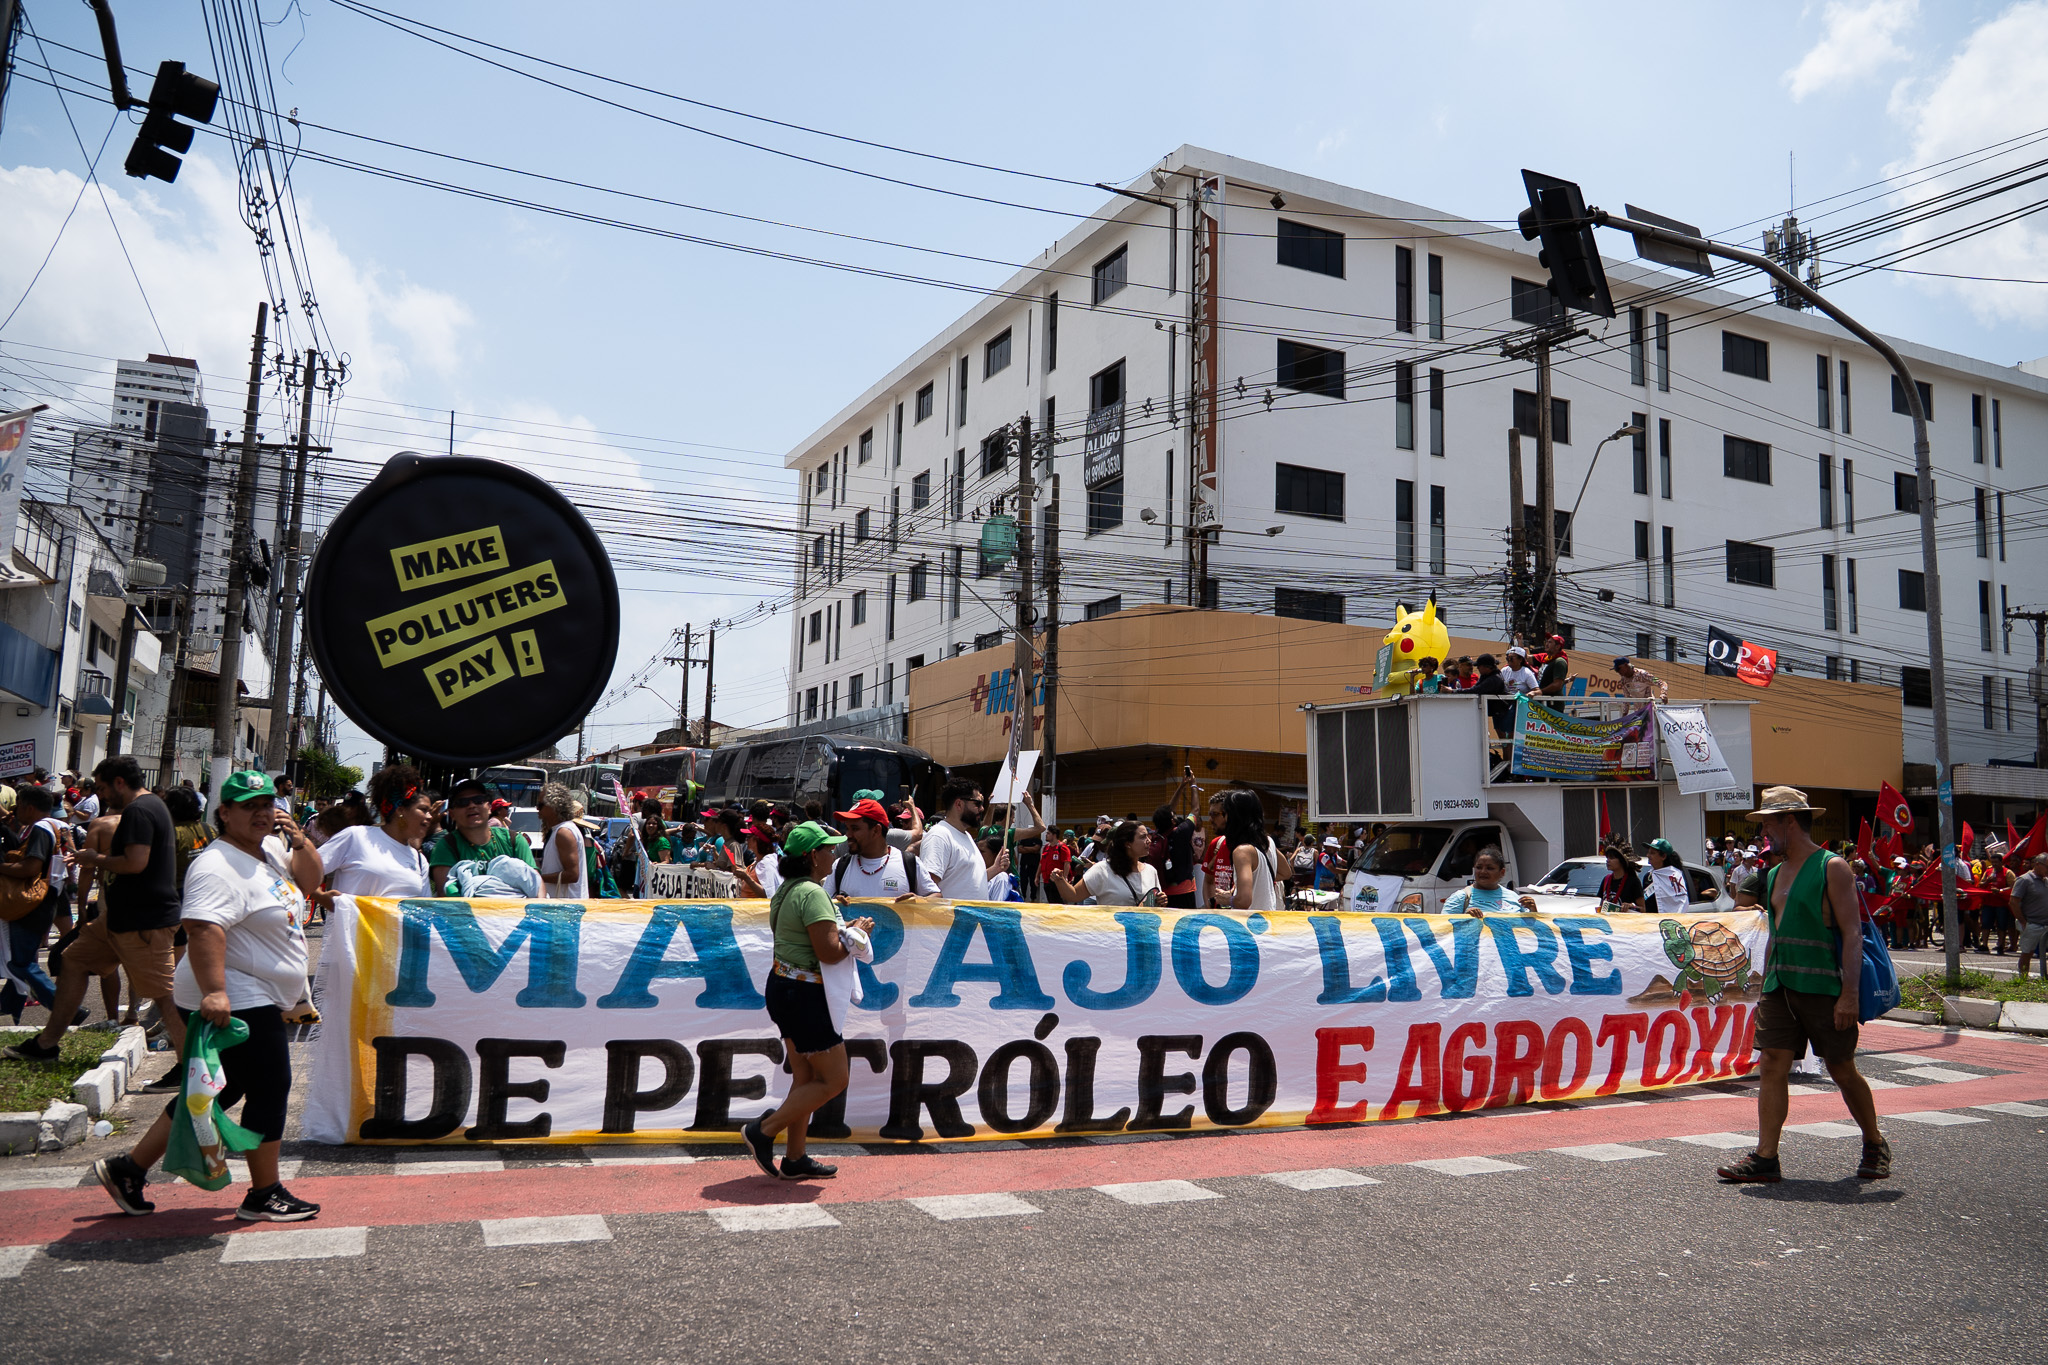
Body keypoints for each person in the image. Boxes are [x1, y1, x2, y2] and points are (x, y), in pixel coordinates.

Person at [90, 770, 325, 1223]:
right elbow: (202, 928)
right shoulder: (216, 865)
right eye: (249, 806)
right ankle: (264, 1192)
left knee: (222, 1087)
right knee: (270, 1086)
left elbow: (309, 883)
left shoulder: (271, 850)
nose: (261, 812)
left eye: (266, 804)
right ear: (224, 813)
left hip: (253, 992)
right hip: (231, 994)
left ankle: (128, 1169)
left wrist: (301, 842)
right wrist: (216, 992)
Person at [1717, 787, 1888, 1184]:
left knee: (1841, 1069)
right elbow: (1777, 933)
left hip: (1825, 988)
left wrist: (1849, 995)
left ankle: (1875, 1142)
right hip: (1780, 987)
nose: (1764, 832)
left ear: (1789, 821)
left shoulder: (1832, 867)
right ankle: (1765, 1158)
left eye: (1768, 823)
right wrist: (1762, 983)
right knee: (1772, 1064)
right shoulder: (1774, 873)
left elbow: (1852, 934)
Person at [6, 757, 185, 1064]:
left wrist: (94, 858)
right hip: (118, 918)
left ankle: (189, 1067)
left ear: (118, 782)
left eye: (102, 788)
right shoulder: (153, 805)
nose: (100, 795)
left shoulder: (139, 811)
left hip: (144, 922)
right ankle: (46, 1045)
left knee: (164, 995)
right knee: (73, 960)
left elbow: (135, 862)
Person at [741, 821, 873, 1182]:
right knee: (834, 1080)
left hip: (785, 987)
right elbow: (830, 953)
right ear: (814, 856)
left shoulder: (787, 890)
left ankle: (796, 1157)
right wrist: (858, 932)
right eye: (829, 848)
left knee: (806, 1075)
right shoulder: (812, 894)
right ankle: (763, 1130)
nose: (835, 853)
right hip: (804, 996)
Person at [0, 787, 65, 1024]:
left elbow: (30, 868)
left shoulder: (39, 829)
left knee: (20, 963)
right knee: (20, 960)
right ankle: (8, 1007)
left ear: (29, 806)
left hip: (31, 904)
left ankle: (65, 1008)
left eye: (19, 806)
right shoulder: (57, 825)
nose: (16, 812)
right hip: (46, 902)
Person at [317, 766, 432, 899]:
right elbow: (303, 871)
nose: (429, 816)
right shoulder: (355, 837)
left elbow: (423, 910)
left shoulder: (419, 861)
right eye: (423, 810)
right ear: (400, 810)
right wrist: (319, 895)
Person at [427, 777, 538, 895]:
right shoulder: (445, 847)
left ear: (489, 807)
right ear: (452, 813)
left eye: (478, 800)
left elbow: (536, 886)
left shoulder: (514, 840)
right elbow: (446, 896)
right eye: (462, 802)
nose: (471, 806)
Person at [920, 778, 1000, 901]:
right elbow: (927, 888)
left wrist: (996, 868)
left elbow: (968, 882)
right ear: (959, 804)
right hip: (952, 919)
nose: (982, 809)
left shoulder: (965, 835)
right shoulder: (940, 836)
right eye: (977, 804)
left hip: (972, 919)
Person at [1048, 820, 1161, 906]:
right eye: (1143, 837)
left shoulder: (1151, 871)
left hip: (1143, 935)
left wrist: (1160, 900)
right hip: (1113, 935)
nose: (1149, 841)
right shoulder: (1102, 870)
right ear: (1127, 843)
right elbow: (1074, 895)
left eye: (1147, 836)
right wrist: (1060, 880)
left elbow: (1152, 904)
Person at [1221, 791, 1284, 912]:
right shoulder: (1268, 841)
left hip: (1248, 926)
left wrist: (1226, 900)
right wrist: (1258, 881)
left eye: (1225, 813)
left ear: (1235, 817)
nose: (1225, 818)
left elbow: (1244, 901)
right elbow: (1286, 872)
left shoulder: (1242, 852)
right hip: (1268, 919)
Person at [1447, 846, 1539, 916]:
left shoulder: (1514, 897)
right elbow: (1442, 930)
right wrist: (1464, 918)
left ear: (1502, 872)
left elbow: (1529, 930)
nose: (1483, 872)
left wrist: (1533, 911)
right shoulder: (1460, 898)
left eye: (1489, 868)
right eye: (1479, 867)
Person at [537, 783, 588, 900]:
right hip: (561, 906)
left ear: (554, 805)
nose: (537, 808)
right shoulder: (558, 831)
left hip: (566, 907)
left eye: (540, 805)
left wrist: (539, 878)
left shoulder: (564, 832)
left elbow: (572, 875)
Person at [1154, 802, 1199, 908]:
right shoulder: (1182, 832)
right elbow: (1195, 809)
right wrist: (1193, 786)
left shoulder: (1158, 836)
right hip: (1184, 890)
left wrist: (1180, 788)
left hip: (1164, 893)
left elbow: (1165, 812)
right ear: (1173, 821)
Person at [2013, 853, 2048, 979]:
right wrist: (2022, 920)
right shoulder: (2024, 880)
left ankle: (2045, 977)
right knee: (2028, 952)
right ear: (2037, 865)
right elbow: (2014, 901)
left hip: (2046, 923)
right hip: (2032, 923)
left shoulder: (2045, 880)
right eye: (2047, 867)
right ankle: (2022, 980)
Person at [1199, 792, 1234, 908]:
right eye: (1210, 814)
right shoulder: (1216, 844)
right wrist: (1211, 912)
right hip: (1217, 919)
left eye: (1214, 814)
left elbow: (1285, 872)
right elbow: (1208, 881)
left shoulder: (1249, 848)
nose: (1210, 819)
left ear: (1228, 815)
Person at [1643, 838, 1693, 914]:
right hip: (1650, 922)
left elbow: (1682, 902)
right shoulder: (1648, 877)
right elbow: (1645, 901)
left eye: (1652, 853)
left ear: (1663, 856)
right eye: (1648, 852)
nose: (1648, 855)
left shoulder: (1675, 876)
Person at [1599, 842, 1646, 912]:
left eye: (1612, 858)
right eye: (1607, 858)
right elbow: (1599, 904)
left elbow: (1643, 909)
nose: (1608, 860)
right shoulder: (1606, 880)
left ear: (1621, 861)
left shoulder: (1633, 881)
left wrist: (1630, 906)